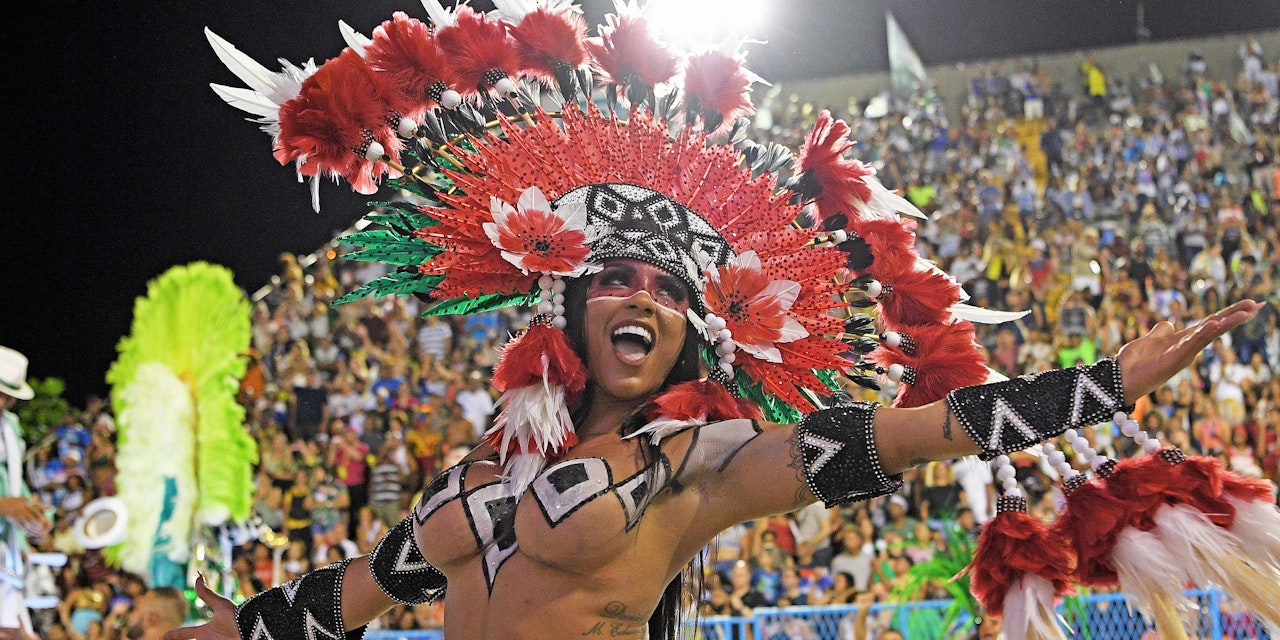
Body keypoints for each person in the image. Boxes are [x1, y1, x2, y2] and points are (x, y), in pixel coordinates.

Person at [184, 19, 1265, 639]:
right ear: (565, 298)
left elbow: (911, 435)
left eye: (670, 288)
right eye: (618, 276)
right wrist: (230, 630)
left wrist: (1102, 381)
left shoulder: (698, 464)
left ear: (697, 330)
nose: (645, 297)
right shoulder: (488, 464)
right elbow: (357, 594)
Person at [0, 345, 51, 635]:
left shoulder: (10, 427)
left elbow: (15, 485)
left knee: (14, 629)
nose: (3, 401)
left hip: (6, 556)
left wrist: (35, 518)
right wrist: (3, 506)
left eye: (9, 396)